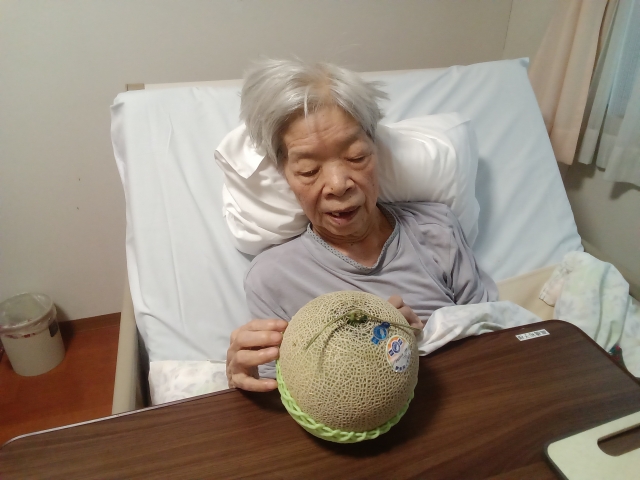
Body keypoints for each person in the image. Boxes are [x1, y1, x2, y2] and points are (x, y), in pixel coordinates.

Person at [226, 59, 498, 391]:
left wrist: (421, 344)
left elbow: (494, 340)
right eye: (309, 170)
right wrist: (244, 380)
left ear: (376, 149)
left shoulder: (436, 230)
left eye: (356, 157)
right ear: (284, 174)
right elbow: (280, 395)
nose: (338, 184)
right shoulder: (272, 278)